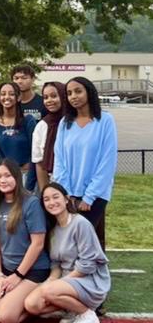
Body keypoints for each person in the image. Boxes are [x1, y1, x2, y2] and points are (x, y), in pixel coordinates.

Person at [24, 183, 110, 323]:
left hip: (88, 280)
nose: (52, 202)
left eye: (56, 197)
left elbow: (88, 264)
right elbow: (56, 264)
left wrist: (59, 283)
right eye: (47, 199)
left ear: (66, 199)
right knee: (32, 305)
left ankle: (87, 314)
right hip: (67, 280)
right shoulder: (53, 230)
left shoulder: (80, 224)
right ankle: (72, 309)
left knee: (48, 291)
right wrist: (50, 281)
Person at [0, 159, 51, 323]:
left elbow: (38, 244)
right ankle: (15, 299)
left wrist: (17, 276)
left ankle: (41, 306)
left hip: (32, 269)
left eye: (7, 176)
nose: (2, 180)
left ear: (17, 178)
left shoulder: (31, 203)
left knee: (6, 317)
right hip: (6, 268)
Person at [53, 77, 117, 250]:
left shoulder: (105, 121)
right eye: (69, 93)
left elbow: (107, 161)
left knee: (86, 241)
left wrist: (89, 196)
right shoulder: (64, 123)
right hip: (69, 194)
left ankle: (96, 275)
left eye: (78, 91)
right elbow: (59, 159)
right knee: (68, 242)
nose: (73, 96)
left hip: (95, 195)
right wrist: (65, 192)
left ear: (89, 92)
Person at [0, 82, 37, 190]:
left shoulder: (28, 120)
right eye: (3, 94)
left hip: (27, 174)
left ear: (18, 97)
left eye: (11, 94)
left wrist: (29, 182)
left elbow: (35, 152)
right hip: (7, 176)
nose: (7, 97)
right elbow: (0, 155)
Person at [31, 82, 66, 192]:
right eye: (45, 97)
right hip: (53, 182)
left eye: (54, 96)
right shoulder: (41, 126)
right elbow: (39, 162)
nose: (49, 100)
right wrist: (45, 192)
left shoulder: (74, 122)